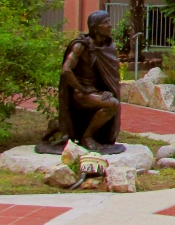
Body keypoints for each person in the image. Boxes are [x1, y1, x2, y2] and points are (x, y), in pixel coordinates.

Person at [39, 10, 123, 154]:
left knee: (109, 98)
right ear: (95, 27)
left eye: (110, 22)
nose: (110, 26)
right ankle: (87, 137)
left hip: (96, 93)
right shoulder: (81, 46)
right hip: (82, 94)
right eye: (106, 22)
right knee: (113, 104)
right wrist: (81, 88)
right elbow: (66, 70)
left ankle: (59, 125)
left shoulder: (106, 46)